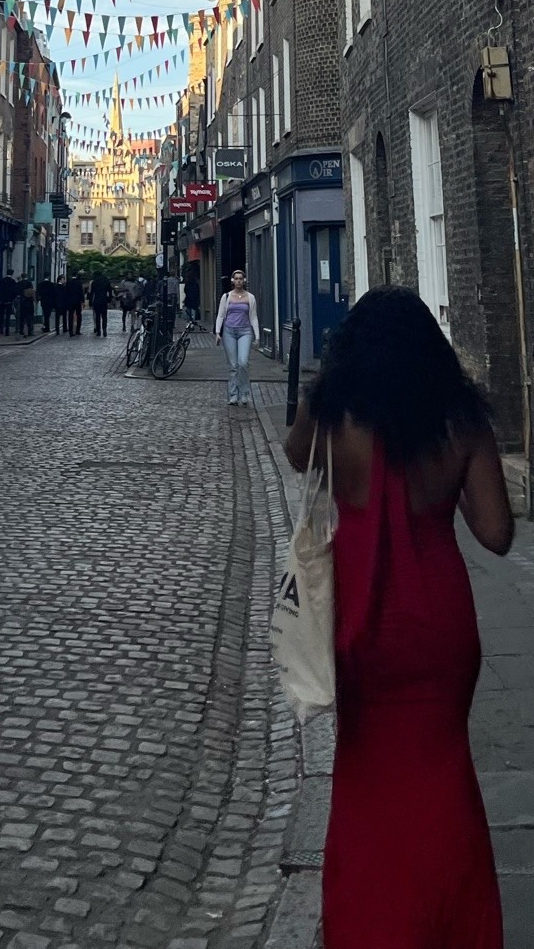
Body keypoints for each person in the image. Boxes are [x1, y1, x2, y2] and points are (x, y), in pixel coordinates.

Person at [284, 287, 513, 949]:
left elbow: (298, 455)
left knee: (365, 785)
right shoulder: (458, 417)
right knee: (444, 778)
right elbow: (496, 531)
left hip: (363, 621)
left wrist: (329, 380)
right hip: (440, 628)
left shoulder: (333, 413)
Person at [214, 268, 258, 408]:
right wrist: (217, 332)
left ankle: (244, 393)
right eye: (236, 278)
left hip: (245, 331)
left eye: (241, 278)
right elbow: (221, 315)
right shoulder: (226, 297)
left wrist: (257, 336)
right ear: (233, 281)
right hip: (229, 332)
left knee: (243, 363)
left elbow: (253, 317)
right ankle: (233, 395)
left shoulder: (250, 298)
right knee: (233, 366)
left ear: (244, 281)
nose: (238, 281)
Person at [89, 270, 111, 337]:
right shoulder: (106, 281)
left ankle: (98, 331)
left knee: (97, 317)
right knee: (104, 316)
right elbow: (110, 291)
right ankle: (104, 329)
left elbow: (92, 293)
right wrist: (109, 300)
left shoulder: (94, 282)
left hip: (97, 301)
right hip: (104, 300)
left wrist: (90, 302)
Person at [0, 271, 18, 337]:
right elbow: (15, 291)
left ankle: (1, 328)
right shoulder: (13, 281)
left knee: (1, 315)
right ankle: (7, 330)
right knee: (8, 316)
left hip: (2, 301)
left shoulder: (2, 281)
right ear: (12, 274)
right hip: (9, 301)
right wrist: (12, 299)